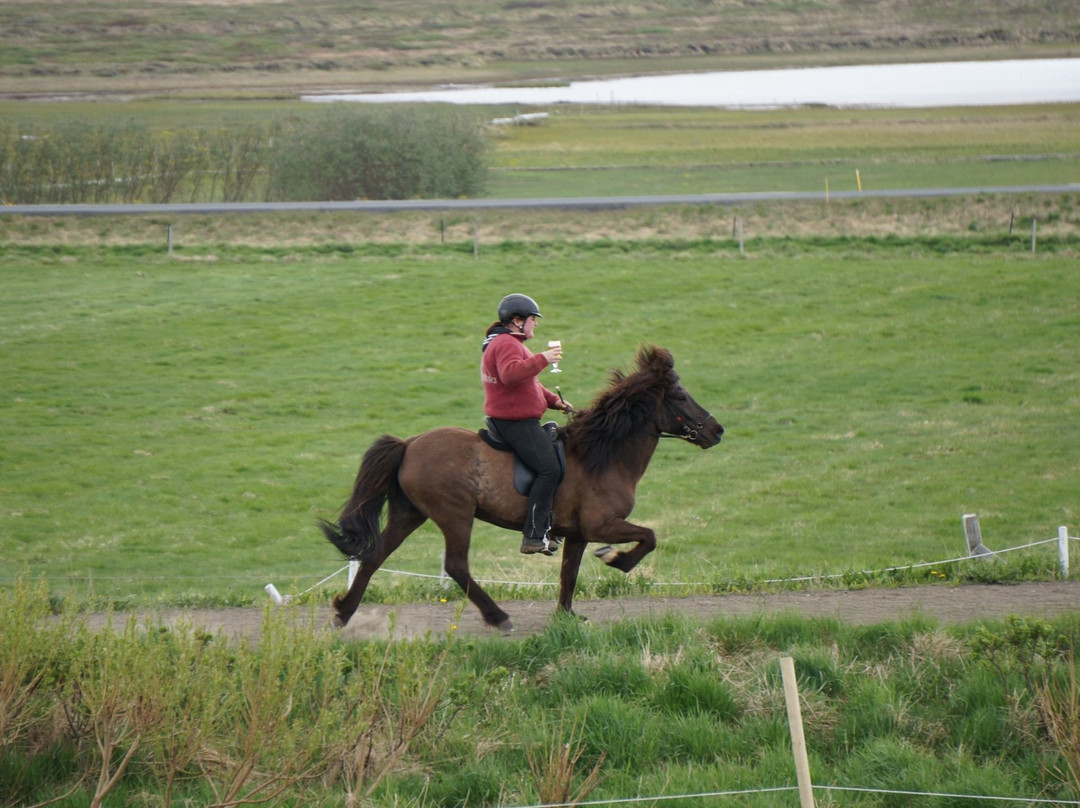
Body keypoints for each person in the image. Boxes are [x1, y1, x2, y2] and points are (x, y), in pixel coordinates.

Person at [481, 293, 574, 555]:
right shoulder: (507, 344)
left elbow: (529, 382)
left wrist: (555, 402)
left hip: (518, 419)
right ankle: (533, 535)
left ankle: (549, 529)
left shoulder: (507, 342)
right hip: (516, 422)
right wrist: (544, 357)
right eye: (533, 319)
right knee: (549, 470)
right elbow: (511, 375)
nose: (535, 325)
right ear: (517, 320)